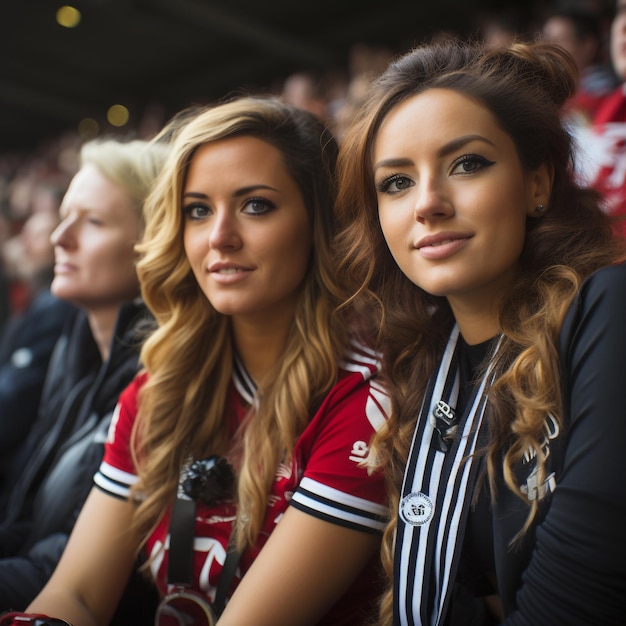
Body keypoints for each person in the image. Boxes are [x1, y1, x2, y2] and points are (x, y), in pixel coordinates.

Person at [24, 95, 389, 626]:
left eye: (256, 205)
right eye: (198, 210)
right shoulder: (160, 389)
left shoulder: (364, 402)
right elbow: (76, 595)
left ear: (319, 225)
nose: (219, 237)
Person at [333, 39, 626, 625]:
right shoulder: (420, 371)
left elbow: (576, 606)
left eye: (467, 163)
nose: (428, 204)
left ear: (538, 184)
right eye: (396, 183)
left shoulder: (609, 311)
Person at [0, 137, 168, 618]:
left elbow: (63, 574)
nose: (59, 237)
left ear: (156, 242)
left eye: (92, 222)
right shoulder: (76, 350)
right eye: (64, 216)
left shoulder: (168, 379)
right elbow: (25, 523)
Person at [0, 210, 76, 488]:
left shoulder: (56, 307)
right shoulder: (41, 300)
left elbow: (14, 399)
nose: (26, 244)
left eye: (36, 236)